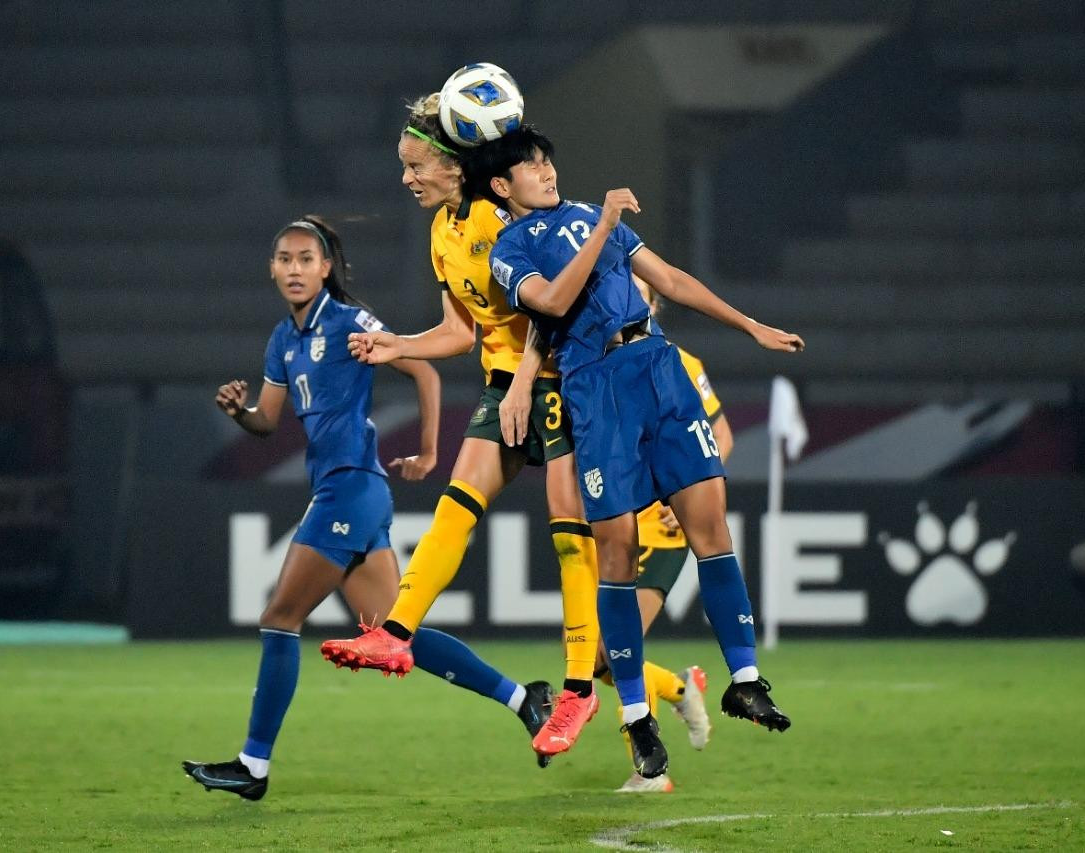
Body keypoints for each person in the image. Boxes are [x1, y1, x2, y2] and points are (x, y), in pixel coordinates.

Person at [182, 216, 554, 802]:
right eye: (285, 259)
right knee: (393, 631)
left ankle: (253, 765)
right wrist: (239, 412)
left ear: (326, 267)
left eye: (307, 259)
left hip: (350, 489)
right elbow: (267, 422)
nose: (295, 269)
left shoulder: (349, 321)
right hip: (347, 490)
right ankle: (522, 698)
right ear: (272, 269)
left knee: (280, 618)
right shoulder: (283, 340)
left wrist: (429, 451)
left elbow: (423, 370)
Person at [471, 126, 802, 779]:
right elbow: (552, 302)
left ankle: (745, 679)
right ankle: (637, 717)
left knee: (712, 523)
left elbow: (670, 279)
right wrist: (605, 226)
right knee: (617, 551)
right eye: (531, 166)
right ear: (502, 186)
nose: (547, 170)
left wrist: (750, 324)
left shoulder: (589, 216)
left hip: (656, 364)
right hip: (595, 387)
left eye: (547, 159)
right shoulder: (510, 250)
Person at [318, 94, 605, 763]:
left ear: (453, 164)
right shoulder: (442, 232)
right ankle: (395, 633)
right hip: (506, 381)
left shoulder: (505, 214)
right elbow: (459, 331)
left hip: (566, 376)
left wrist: (527, 382)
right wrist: (398, 345)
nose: (406, 178)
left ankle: (578, 688)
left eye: (416, 165)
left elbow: (557, 306)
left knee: (570, 536)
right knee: (456, 504)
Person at [602, 275, 732, 794]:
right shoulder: (594, 362)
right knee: (596, 661)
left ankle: (647, 772)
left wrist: (692, 490)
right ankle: (679, 688)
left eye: (639, 294)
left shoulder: (681, 363)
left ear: (655, 307)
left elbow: (719, 435)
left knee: (619, 647)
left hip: (660, 532)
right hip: (612, 527)